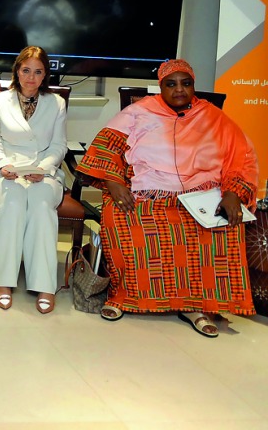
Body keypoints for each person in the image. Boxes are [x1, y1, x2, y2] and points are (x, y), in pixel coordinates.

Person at [75, 59, 258, 337]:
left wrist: (233, 193)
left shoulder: (213, 117)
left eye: (186, 83)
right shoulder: (138, 112)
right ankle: (123, 296)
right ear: (160, 87)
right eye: (171, 84)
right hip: (149, 192)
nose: (179, 90)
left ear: (194, 85)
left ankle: (196, 305)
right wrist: (113, 181)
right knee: (124, 217)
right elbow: (104, 148)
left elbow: (242, 158)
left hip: (201, 196)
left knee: (220, 226)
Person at [0, 46, 68, 313]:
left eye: (38, 72)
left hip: (44, 172)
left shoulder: (57, 103)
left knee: (42, 204)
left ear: (45, 76)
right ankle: (4, 282)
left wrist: (43, 168)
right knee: (13, 202)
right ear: (17, 71)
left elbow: (59, 146)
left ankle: (44, 285)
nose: (31, 77)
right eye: (26, 70)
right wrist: (3, 164)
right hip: (6, 170)